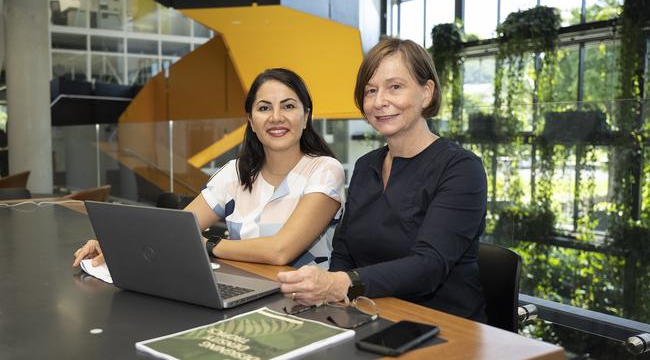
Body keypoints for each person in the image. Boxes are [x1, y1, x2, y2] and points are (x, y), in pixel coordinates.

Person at [277, 39, 488, 322]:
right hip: (368, 315)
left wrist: (341, 284)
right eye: (371, 91)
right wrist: (334, 304)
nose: (379, 102)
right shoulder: (366, 166)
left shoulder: (461, 169)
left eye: (395, 87)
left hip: (443, 327)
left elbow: (429, 266)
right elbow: (344, 251)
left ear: (426, 93)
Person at [73, 68, 345, 269]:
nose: (276, 117)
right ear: (251, 120)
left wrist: (207, 245)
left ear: (306, 116)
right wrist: (115, 244)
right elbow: (177, 229)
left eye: (288, 106)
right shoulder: (235, 173)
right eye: (264, 108)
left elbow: (280, 251)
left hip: (309, 305)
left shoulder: (324, 171)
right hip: (247, 294)